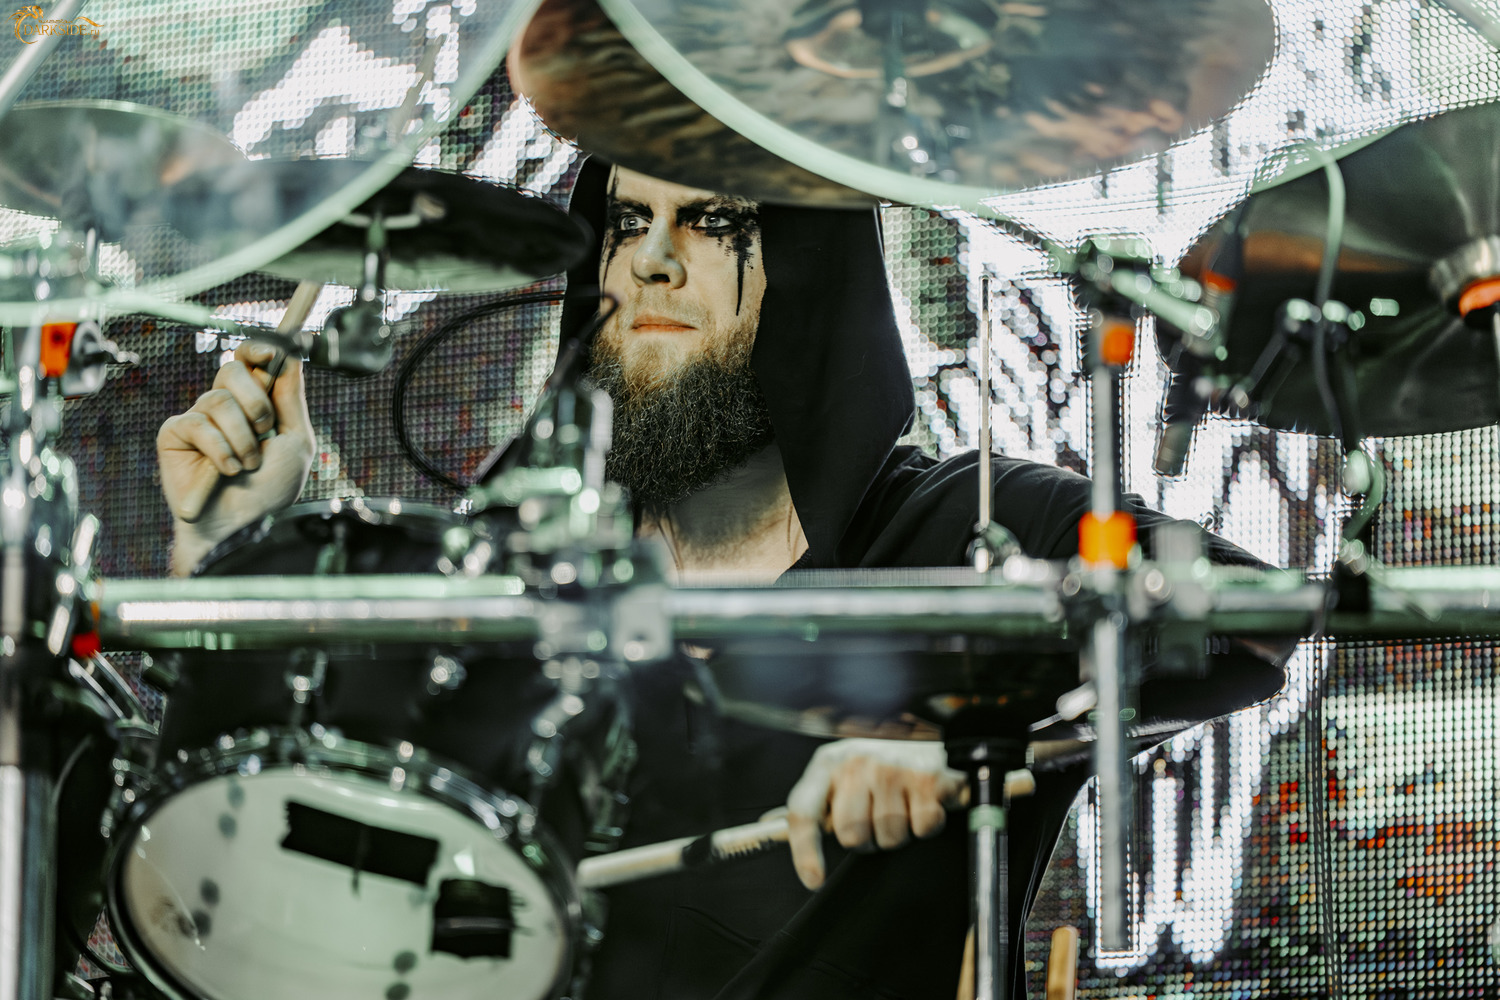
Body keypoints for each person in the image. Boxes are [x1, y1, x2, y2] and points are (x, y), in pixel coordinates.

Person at [157, 159, 1284, 998]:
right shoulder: (519, 594)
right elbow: (270, 883)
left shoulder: (967, 530)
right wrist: (228, 548)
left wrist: (974, 746)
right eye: (626, 222)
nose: (651, 258)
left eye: (713, 221)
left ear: (809, 269)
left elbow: (1251, 621)